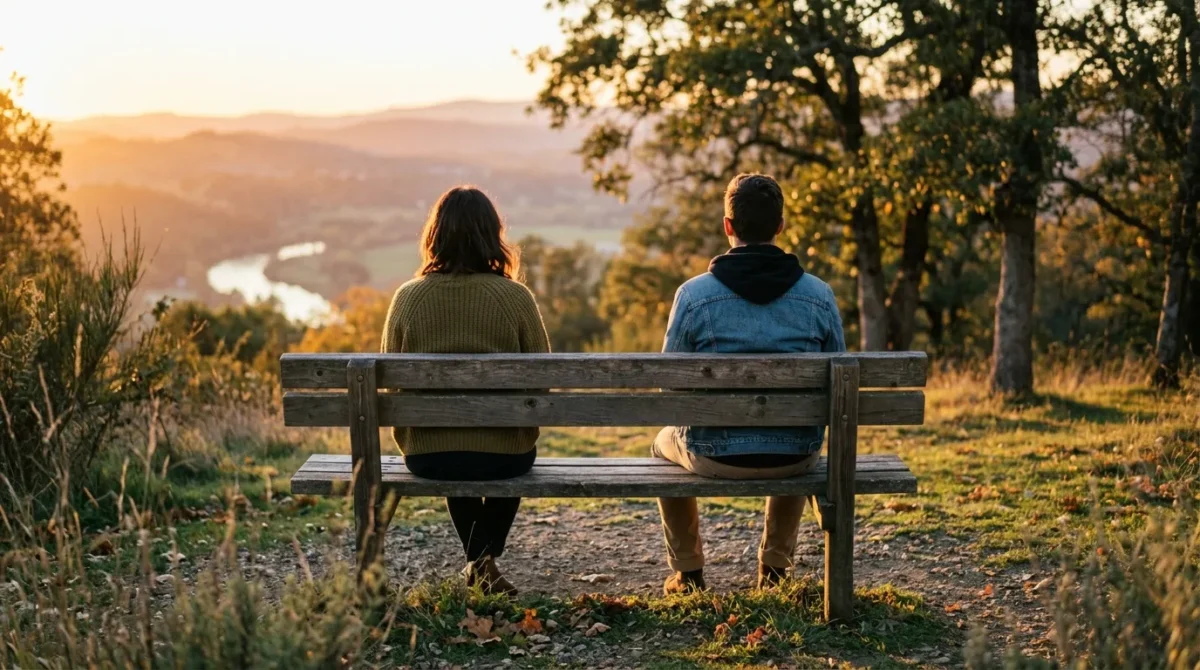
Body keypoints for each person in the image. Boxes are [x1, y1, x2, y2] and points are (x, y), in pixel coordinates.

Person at [653, 173, 846, 594]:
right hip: (796, 455)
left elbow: (670, 385)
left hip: (712, 453)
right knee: (794, 426)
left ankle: (688, 572)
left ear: (728, 226)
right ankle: (775, 568)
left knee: (659, 444)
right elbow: (836, 385)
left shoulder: (693, 295)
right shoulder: (819, 295)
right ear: (780, 226)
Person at [381, 186, 550, 596]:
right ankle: (482, 562)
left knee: (451, 448)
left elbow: (388, 377)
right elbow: (543, 376)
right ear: (492, 235)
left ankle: (479, 563)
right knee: (501, 451)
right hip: (506, 455)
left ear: (435, 235)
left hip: (428, 455)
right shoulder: (515, 297)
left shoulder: (407, 298)